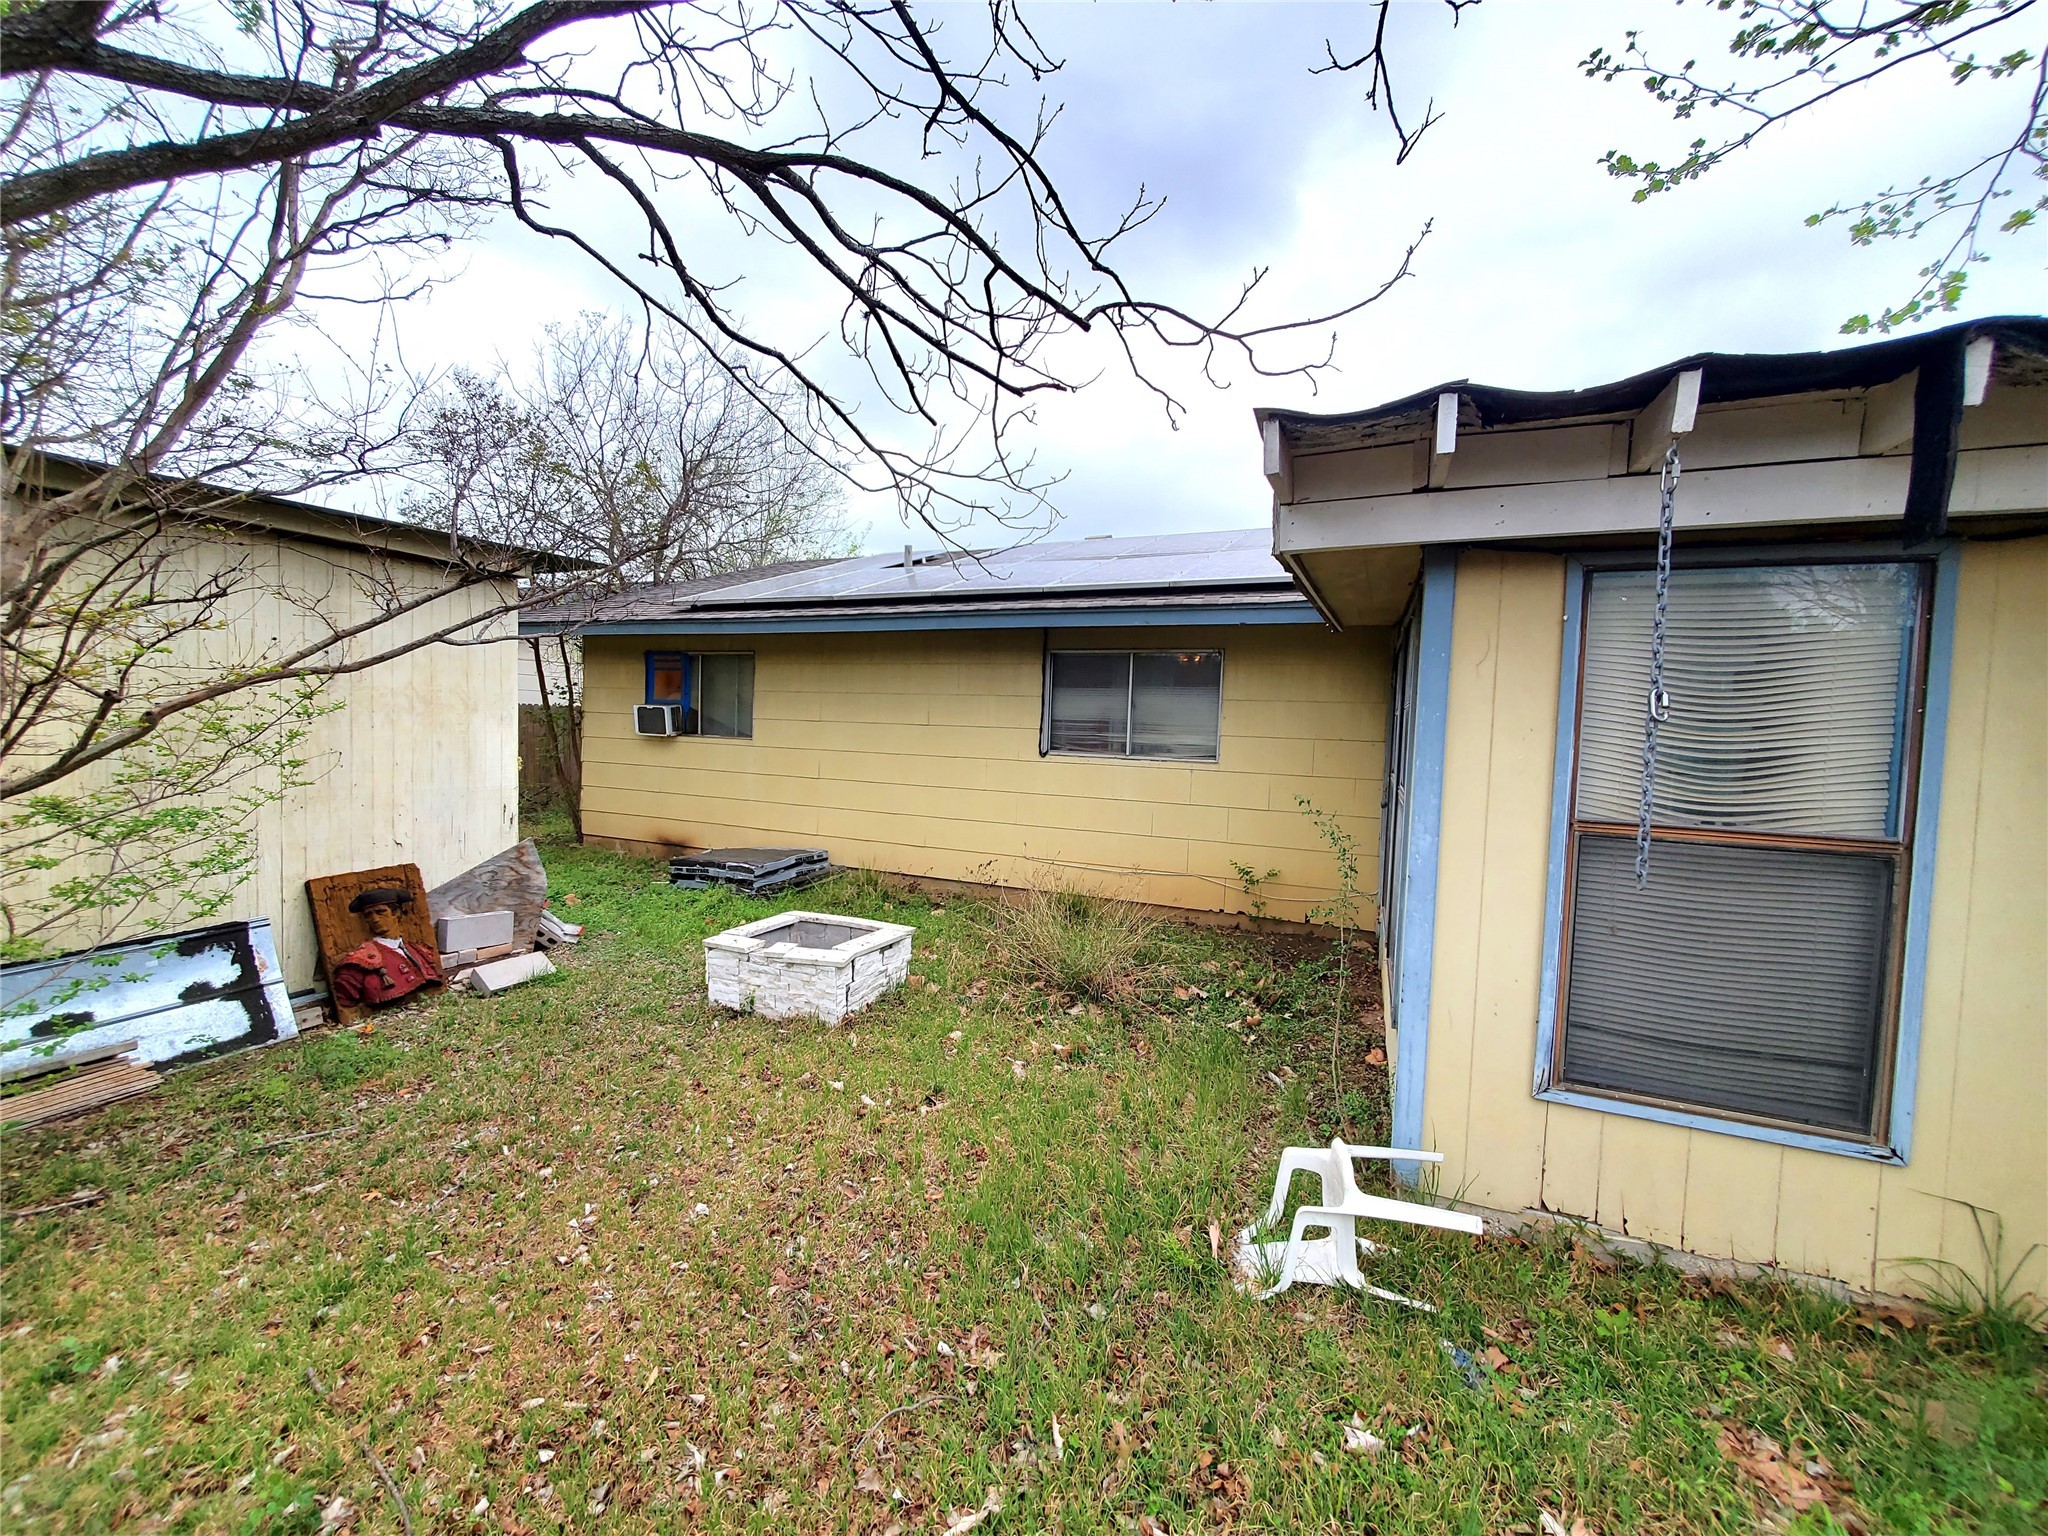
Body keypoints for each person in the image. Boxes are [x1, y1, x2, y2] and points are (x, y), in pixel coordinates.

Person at [331, 886, 442, 1009]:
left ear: (397, 913)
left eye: (381, 912)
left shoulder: (419, 951)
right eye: (368, 915)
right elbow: (346, 1002)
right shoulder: (359, 962)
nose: (375, 919)